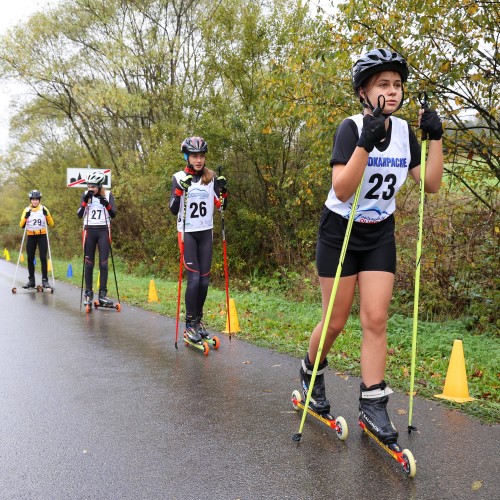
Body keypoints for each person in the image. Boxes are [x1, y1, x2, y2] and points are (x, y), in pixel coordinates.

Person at [299, 49, 444, 445]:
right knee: (335, 321)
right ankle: (311, 371)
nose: (393, 91)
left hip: (379, 231)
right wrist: (365, 141)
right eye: (383, 84)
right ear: (363, 91)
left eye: (397, 84)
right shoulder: (349, 128)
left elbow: (430, 184)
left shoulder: (403, 134)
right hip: (340, 231)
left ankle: (373, 404)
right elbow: (342, 190)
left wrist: (436, 139)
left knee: (376, 319)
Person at [169, 136, 228, 343]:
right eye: (194, 156)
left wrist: (224, 192)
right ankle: (189, 322)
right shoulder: (178, 177)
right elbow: (173, 209)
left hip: (206, 233)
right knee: (193, 279)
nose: (199, 160)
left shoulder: (210, 178)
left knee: (204, 281)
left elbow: (221, 207)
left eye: (201, 156)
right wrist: (179, 190)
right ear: (187, 157)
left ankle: (199, 320)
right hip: (187, 234)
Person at [77, 170, 116, 306]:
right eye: (88, 186)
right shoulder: (85, 195)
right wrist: (84, 202)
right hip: (89, 230)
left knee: (103, 264)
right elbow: (79, 214)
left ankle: (102, 295)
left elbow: (114, 214)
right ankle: (88, 293)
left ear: (99, 186)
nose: (90, 189)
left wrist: (106, 204)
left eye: (93, 187)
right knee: (89, 263)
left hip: (104, 231)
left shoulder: (108, 194)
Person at [19, 190, 55, 288]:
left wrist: (47, 215)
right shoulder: (26, 210)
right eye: (33, 200)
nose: (35, 202)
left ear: (39, 200)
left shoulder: (44, 209)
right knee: (30, 258)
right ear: (30, 200)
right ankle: (31, 281)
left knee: (43, 257)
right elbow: (21, 225)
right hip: (31, 236)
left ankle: (45, 280)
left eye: (37, 200)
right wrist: (26, 217)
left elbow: (51, 224)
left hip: (42, 235)